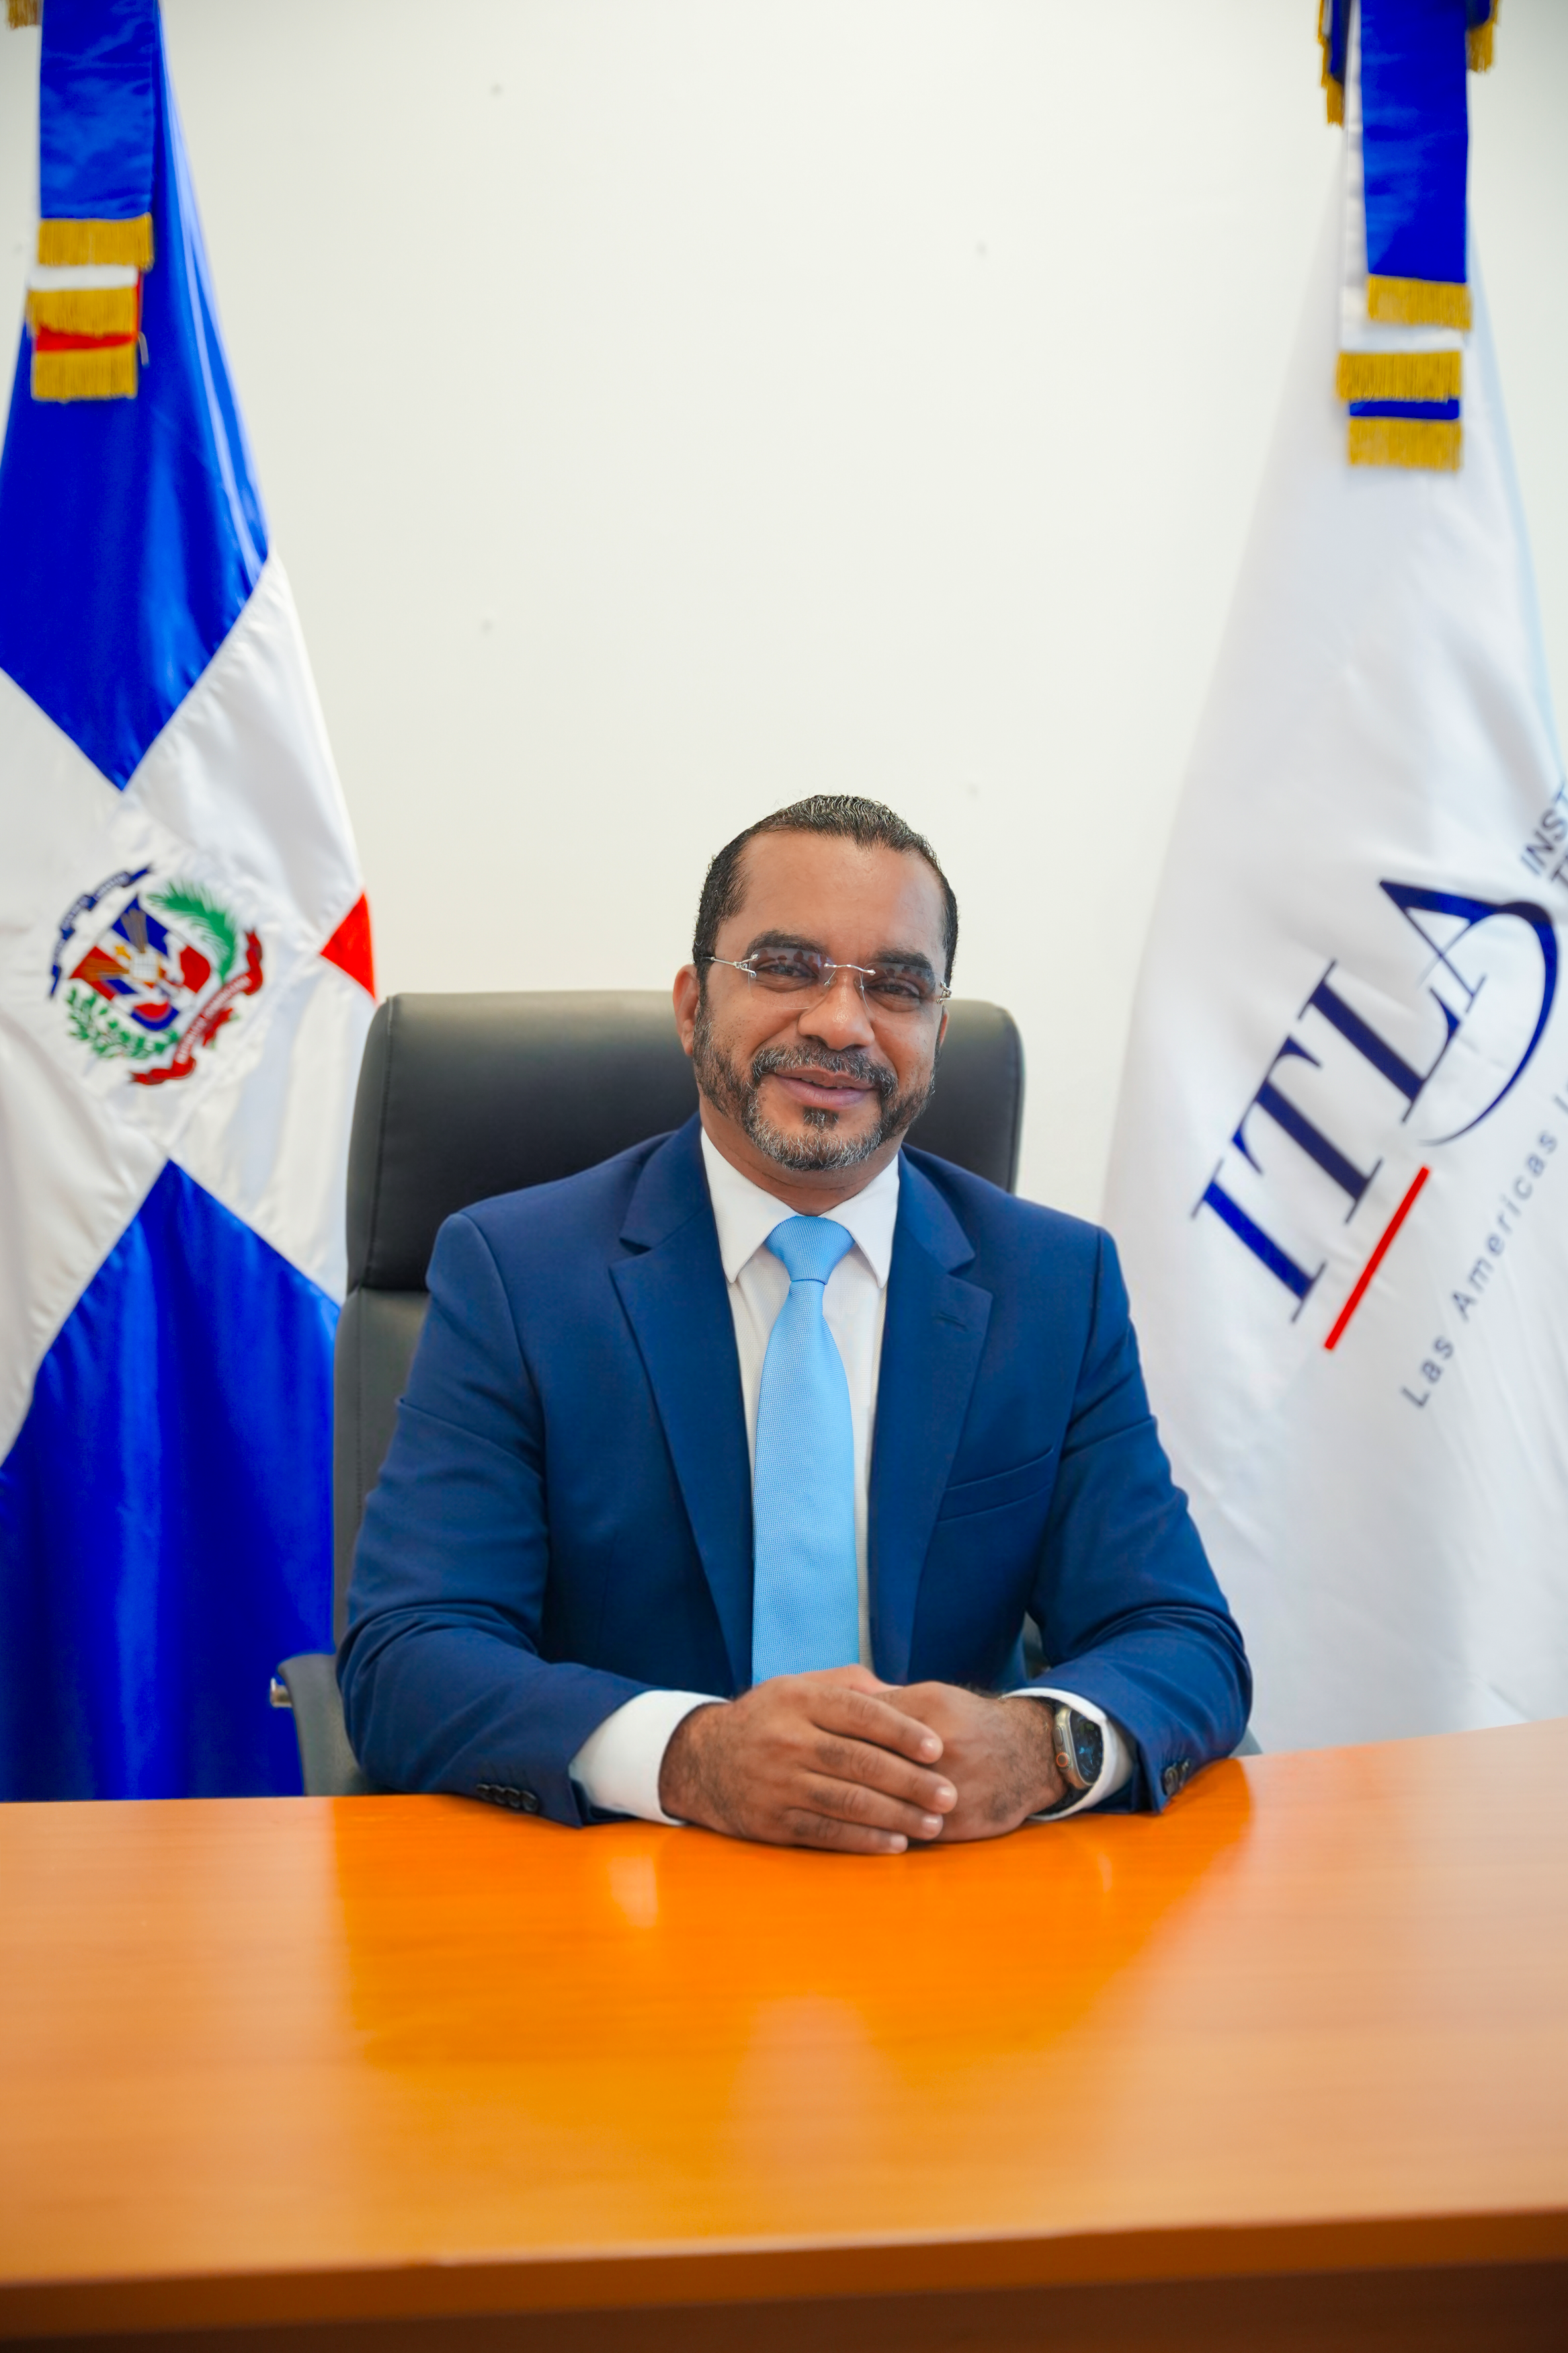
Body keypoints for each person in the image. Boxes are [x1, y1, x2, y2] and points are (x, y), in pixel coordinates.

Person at [340, 797, 1249, 1851]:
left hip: (948, 1889)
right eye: (786, 967)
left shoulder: (1054, 1284)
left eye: (896, 987)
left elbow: (1181, 1636)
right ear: (693, 1007)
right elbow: (409, 1653)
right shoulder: (518, 1275)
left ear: (936, 1034)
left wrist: (1039, 1747)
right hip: (627, 1887)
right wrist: (693, 1758)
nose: (840, 1024)